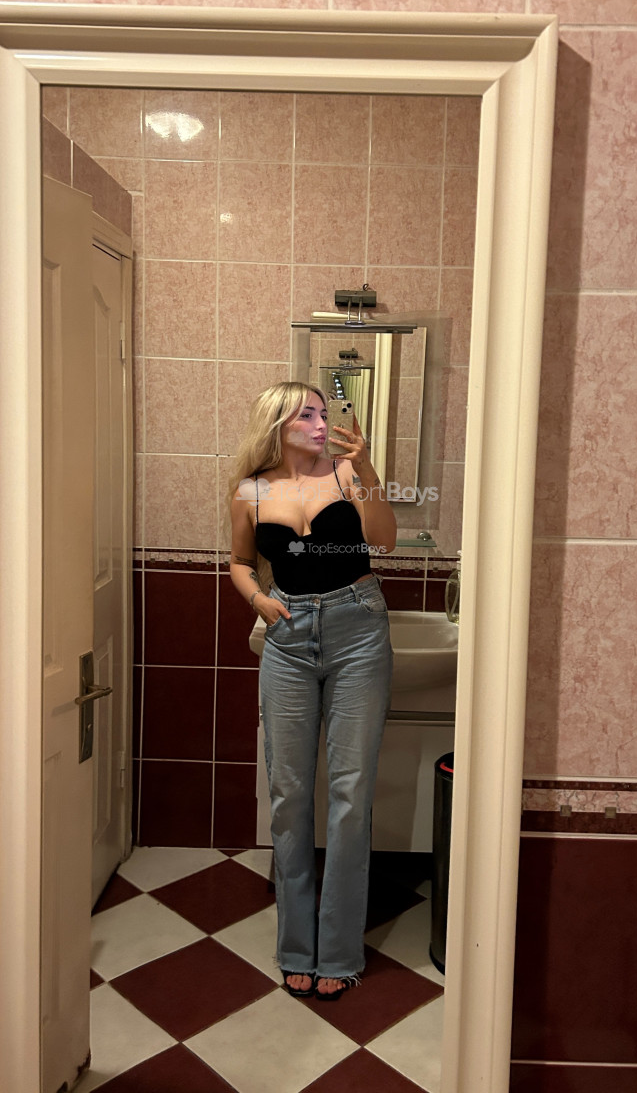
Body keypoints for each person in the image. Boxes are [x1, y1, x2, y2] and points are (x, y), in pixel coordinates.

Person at [228, 381, 397, 1001]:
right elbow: (239, 561)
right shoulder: (251, 490)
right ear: (277, 423)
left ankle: (341, 950)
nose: (322, 424)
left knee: (350, 795)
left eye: (325, 413)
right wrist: (258, 599)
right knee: (289, 793)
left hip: (358, 629)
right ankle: (297, 945)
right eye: (308, 415)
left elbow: (384, 541)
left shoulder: (348, 475)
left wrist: (368, 468)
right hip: (288, 636)